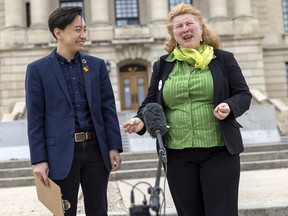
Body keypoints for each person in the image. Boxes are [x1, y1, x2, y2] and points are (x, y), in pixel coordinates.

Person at [123, 3, 252, 216]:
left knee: (222, 212)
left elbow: (243, 95)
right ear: (173, 35)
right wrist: (141, 120)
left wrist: (229, 105)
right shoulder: (163, 65)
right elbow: (151, 102)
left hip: (219, 150)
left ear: (201, 29)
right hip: (176, 154)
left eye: (189, 24)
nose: (184, 29)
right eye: (178, 26)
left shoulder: (223, 59)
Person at [25, 6, 122, 216]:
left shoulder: (96, 66)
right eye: (77, 30)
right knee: (64, 212)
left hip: (96, 150)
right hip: (59, 153)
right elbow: (35, 119)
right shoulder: (37, 70)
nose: (83, 35)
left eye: (85, 29)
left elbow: (108, 108)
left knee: (98, 210)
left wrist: (114, 146)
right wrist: (39, 160)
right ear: (58, 33)